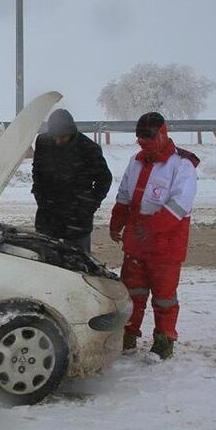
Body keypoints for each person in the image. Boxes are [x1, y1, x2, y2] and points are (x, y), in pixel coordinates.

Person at [109, 112, 199, 360]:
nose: (142, 142)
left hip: (165, 246)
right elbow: (125, 195)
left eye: (147, 138)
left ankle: (164, 340)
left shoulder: (182, 165)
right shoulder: (135, 161)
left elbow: (179, 205)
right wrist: (117, 222)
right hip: (136, 244)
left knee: (164, 297)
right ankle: (127, 336)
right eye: (139, 138)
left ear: (162, 134)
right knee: (132, 293)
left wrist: (151, 228)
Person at [31, 108, 112, 253]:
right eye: (55, 137)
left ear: (71, 132)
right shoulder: (43, 142)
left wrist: (89, 206)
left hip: (78, 220)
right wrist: (40, 197)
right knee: (45, 264)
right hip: (48, 217)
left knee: (78, 264)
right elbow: (37, 172)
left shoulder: (88, 148)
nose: (58, 141)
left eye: (63, 137)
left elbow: (104, 179)